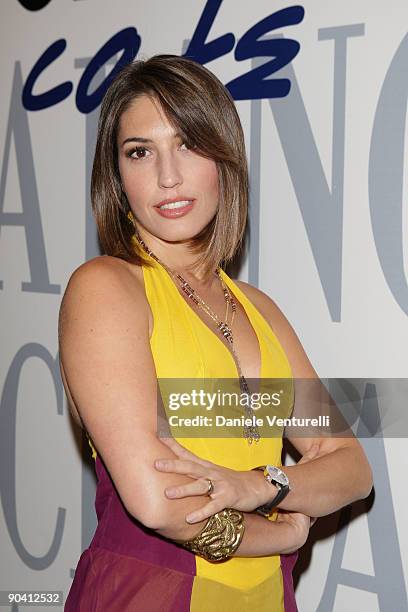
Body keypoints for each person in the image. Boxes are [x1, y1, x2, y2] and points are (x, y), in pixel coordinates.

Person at [58, 54, 373, 611]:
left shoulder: (259, 308)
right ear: (117, 176)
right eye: (140, 152)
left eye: (188, 144)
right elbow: (159, 505)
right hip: (150, 595)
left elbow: (351, 467)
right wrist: (284, 534)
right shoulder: (106, 288)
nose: (168, 176)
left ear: (223, 157)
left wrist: (261, 485)